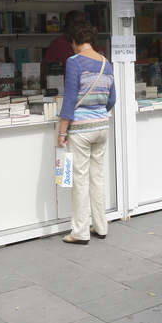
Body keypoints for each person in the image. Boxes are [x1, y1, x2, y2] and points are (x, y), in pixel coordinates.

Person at [57, 20, 116, 245]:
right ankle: (101, 226)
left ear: (74, 41)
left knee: (80, 180)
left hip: (81, 130)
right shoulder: (105, 62)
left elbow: (70, 99)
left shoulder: (74, 62)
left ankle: (80, 232)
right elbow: (113, 98)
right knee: (97, 178)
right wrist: (98, 113)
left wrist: (62, 132)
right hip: (102, 127)